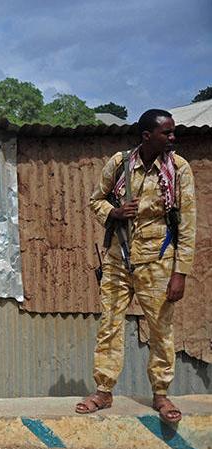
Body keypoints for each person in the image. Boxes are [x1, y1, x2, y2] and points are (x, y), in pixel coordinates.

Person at [77, 109, 196, 423]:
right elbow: (96, 200)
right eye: (166, 133)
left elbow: (188, 225)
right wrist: (114, 213)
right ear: (147, 136)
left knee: (160, 332)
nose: (173, 138)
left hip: (158, 262)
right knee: (109, 327)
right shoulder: (119, 164)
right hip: (118, 259)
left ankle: (161, 395)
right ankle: (103, 391)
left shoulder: (178, 169)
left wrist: (180, 273)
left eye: (173, 132)